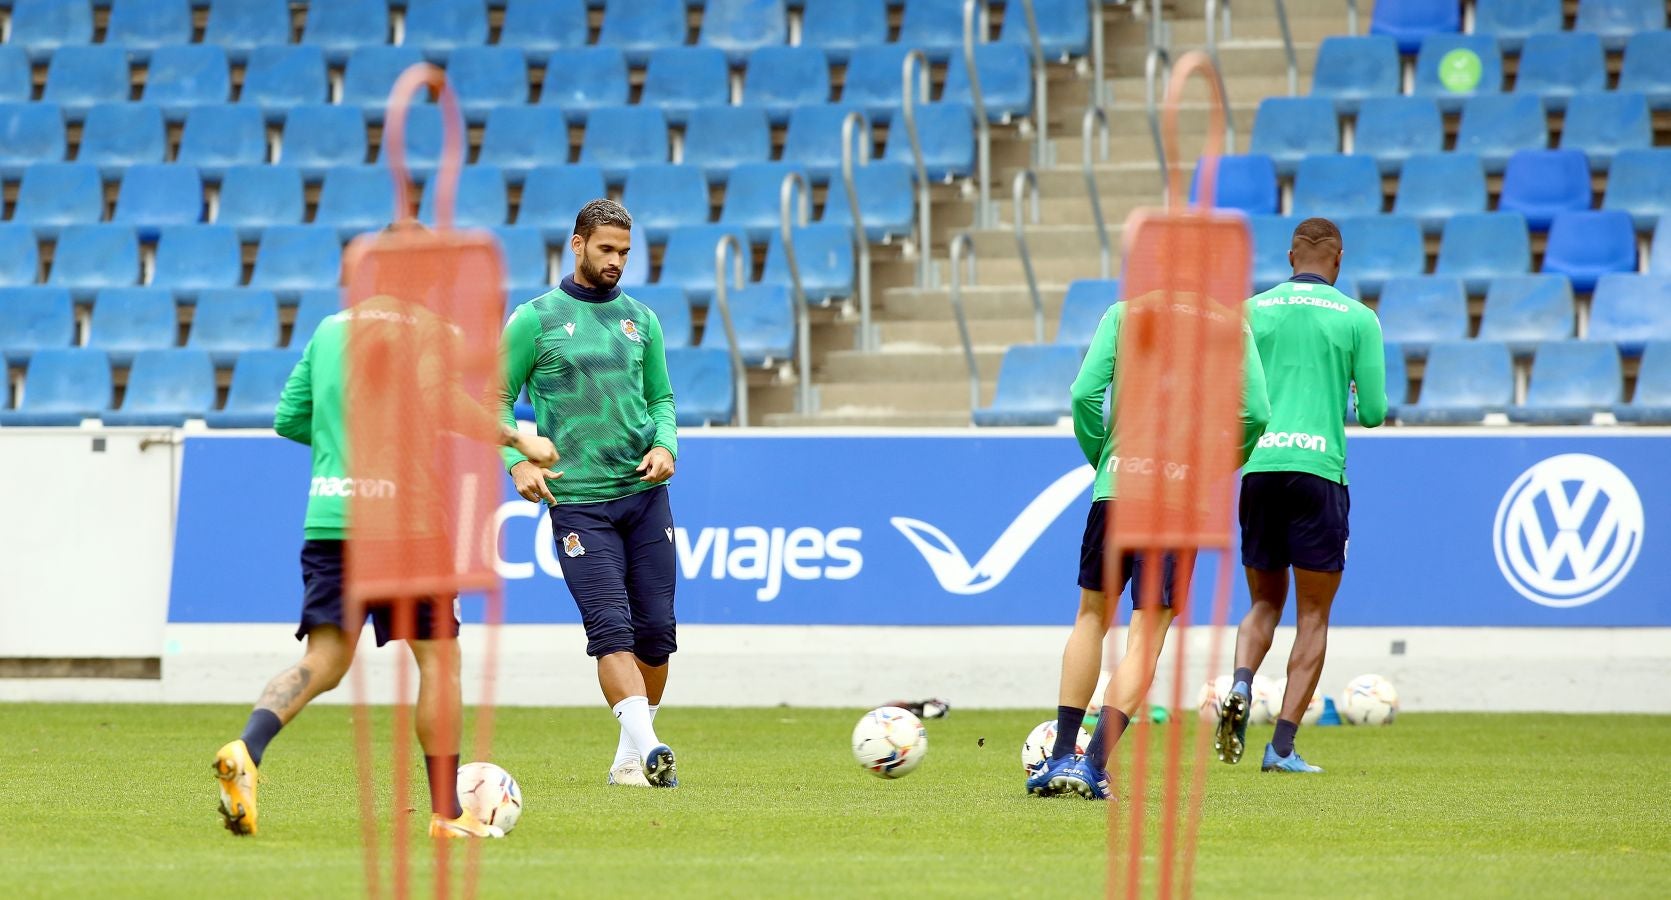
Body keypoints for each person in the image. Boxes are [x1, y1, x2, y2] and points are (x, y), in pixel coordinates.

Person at [213, 289, 559, 839]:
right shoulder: (433, 329)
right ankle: (447, 813)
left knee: (324, 659)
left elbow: (288, 418)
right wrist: (518, 436)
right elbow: (439, 400)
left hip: (332, 516)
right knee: (438, 661)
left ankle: (247, 747)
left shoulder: (330, 329)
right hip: (407, 523)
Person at [1028, 288, 1270, 800]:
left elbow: (1083, 395)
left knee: (1091, 616)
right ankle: (1093, 767)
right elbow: (1255, 415)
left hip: (1115, 489)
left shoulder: (1123, 313)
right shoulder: (1231, 325)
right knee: (1147, 635)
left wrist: (1105, 462)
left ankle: (1060, 756)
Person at [497, 199, 681, 789]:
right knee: (609, 628)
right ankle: (652, 750)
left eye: (625, 252)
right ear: (577, 245)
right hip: (577, 500)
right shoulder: (534, 320)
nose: (616, 262)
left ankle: (631, 753)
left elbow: (662, 402)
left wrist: (667, 447)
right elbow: (490, 402)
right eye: (606, 249)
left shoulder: (642, 321)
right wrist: (514, 459)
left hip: (645, 494)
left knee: (656, 636)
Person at [1216, 217, 1387, 774]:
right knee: (1312, 615)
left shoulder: (1250, 312)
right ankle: (1281, 748)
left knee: (1264, 602)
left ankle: (1241, 683)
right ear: (1339, 259)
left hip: (1261, 467)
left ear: (1291, 256)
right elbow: (1375, 414)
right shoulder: (1360, 320)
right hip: (1319, 472)